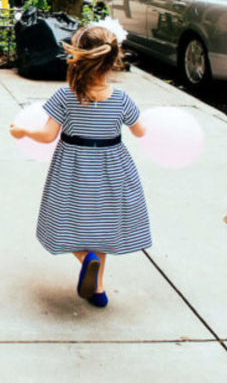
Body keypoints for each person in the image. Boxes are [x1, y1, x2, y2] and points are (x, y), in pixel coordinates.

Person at [8, 25, 151, 308]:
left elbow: (48, 135)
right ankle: (97, 289)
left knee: (69, 223)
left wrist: (24, 131)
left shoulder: (65, 96)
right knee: (102, 228)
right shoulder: (122, 99)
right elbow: (140, 131)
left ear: (78, 58)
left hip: (73, 170)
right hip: (112, 169)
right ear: (112, 61)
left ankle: (87, 260)